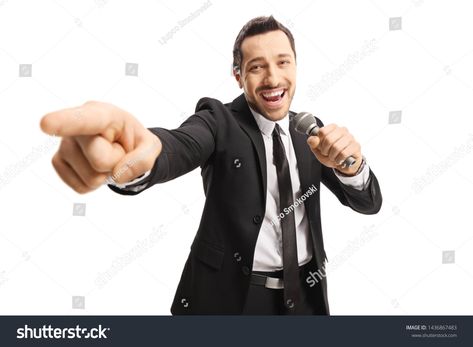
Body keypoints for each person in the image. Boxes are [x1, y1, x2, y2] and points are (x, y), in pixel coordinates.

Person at [40, 16, 382, 315]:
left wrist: (351, 169)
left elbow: (368, 204)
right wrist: (133, 153)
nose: (273, 78)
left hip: (306, 301)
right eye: (257, 66)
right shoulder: (218, 121)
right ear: (238, 75)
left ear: (296, 66)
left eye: (283, 62)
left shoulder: (309, 131)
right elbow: (178, 145)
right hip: (233, 302)